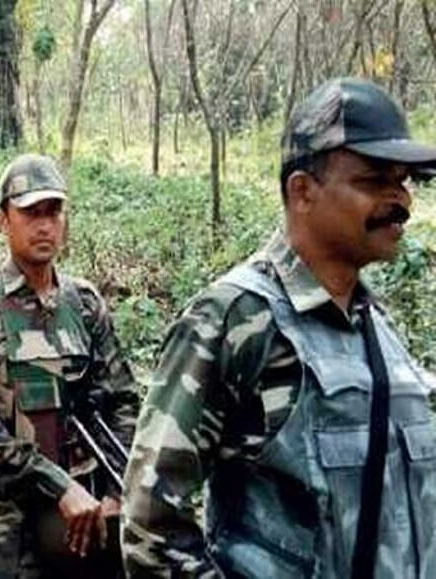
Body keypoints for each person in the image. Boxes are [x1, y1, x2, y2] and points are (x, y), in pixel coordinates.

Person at [121, 78, 436, 579]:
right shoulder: (237, 320)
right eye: (375, 180)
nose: (400, 199)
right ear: (302, 191)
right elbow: (150, 528)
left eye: (404, 182)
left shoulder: (379, 329)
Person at [0, 153, 138, 577]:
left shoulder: (83, 303)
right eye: (31, 213)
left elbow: (122, 401)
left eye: (54, 212)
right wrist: (57, 484)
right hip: (8, 516)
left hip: (87, 511)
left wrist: (114, 489)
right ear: (3, 221)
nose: (45, 225)